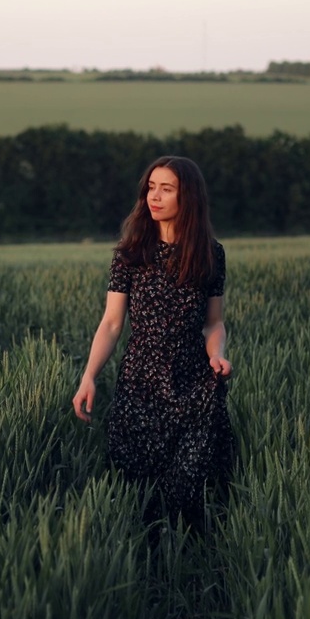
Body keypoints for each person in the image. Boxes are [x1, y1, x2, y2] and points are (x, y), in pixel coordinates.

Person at [72, 155, 235, 533]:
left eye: (166, 188)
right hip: (140, 386)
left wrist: (218, 356)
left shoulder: (211, 254)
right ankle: (144, 562)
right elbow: (112, 324)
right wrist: (90, 376)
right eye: (151, 187)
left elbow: (214, 323)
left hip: (193, 382)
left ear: (188, 197)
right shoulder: (131, 254)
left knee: (188, 492)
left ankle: (189, 563)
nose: (154, 196)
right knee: (137, 492)